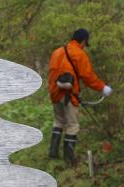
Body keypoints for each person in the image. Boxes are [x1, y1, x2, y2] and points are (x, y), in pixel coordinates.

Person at [48, 28, 112, 164]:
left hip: (54, 94)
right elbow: (88, 77)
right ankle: (69, 159)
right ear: (83, 41)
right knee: (73, 125)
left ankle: (53, 153)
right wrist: (102, 88)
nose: (84, 46)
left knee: (58, 121)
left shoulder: (56, 52)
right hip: (68, 96)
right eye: (85, 43)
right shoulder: (79, 54)